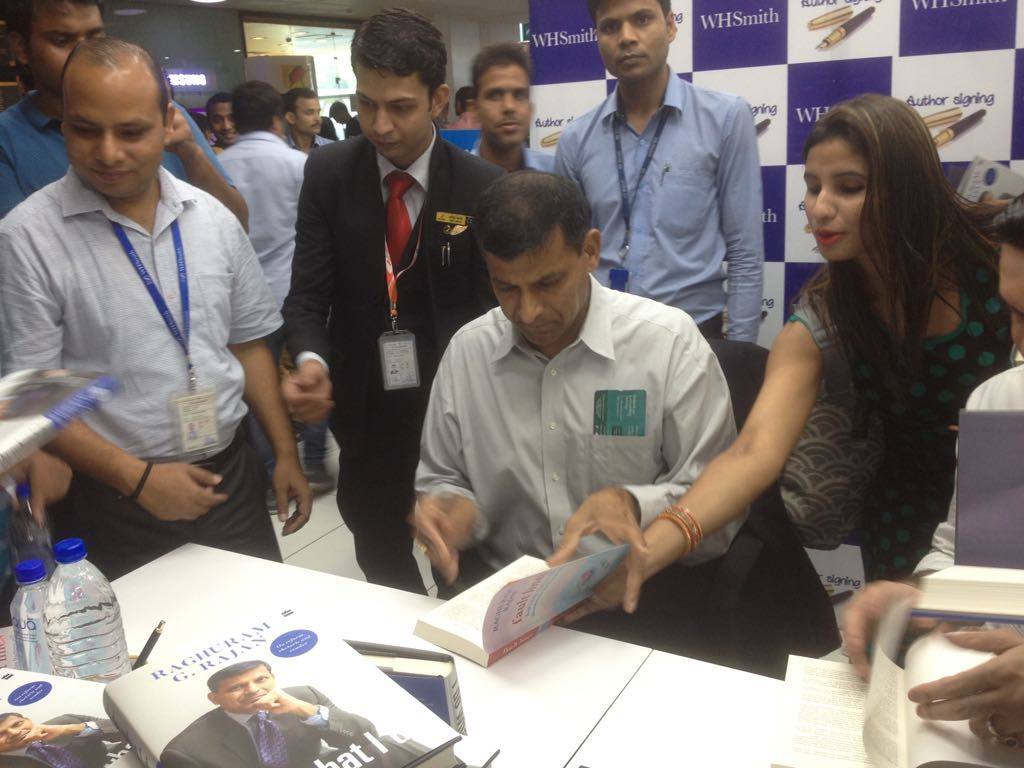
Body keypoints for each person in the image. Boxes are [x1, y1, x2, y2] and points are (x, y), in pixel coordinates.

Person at [605, 94, 1007, 598]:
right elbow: (751, 453)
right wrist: (648, 553)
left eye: (849, 187)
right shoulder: (823, 317)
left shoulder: (994, 264)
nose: (820, 207)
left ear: (907, 186)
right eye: (813, 187)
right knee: (913, 638)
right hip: (906, 512)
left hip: (1007, 494)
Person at [0, 38, 312, 581]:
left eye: (130, 132)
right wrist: (140, 480)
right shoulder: (27, 238)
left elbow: (247, 345)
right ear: (64, 123)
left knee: (257, 620)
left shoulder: (212, 218)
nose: (108, 153)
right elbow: (35, 396)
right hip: (113, 497)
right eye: (85, 130)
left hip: (229, 478)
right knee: (141, 636)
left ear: (168, 122)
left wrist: (285, 452)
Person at [413, 171, 744, 655]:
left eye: (548, 283)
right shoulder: (468, 352)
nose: (528, 312)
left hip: (642, 602)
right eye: (506, 288)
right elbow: (442, 477)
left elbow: (722, 505)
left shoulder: (667, 344)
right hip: (509, 608)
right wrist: (452, 510)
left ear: (590, 250)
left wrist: (636, 505)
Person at [282, 8, 503, 593]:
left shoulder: (480, 187)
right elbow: (308, 292)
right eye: (366, 103)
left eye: (400, 107)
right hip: (366, 414)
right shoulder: (329, 172)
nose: (380, 125)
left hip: (456, 414)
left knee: (463, 571)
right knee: (381, 563)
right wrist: (310, 359)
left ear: (437, 100)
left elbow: (496, 316)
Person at [840, 198, 1024, 752]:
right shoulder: (1003, 402)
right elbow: (969, 552)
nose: (1021, 344)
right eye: (1016, 314)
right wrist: (920, 594)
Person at [555, 0, 763, 342]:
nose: (626, 37)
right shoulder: (576, 140)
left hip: (694, 333)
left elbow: (745, 251)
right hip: (602, 332)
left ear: (670, 26)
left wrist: (740, 352)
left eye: (641, 20)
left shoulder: (725, 118)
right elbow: (569, 255)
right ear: (597, 38)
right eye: (610, 27)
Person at [0, 0, 246, 225]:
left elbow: (237, 225)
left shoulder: (165, 115)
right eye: (62, 40)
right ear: (21, 48)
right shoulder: (6, 140)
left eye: (95, 37)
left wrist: (191, 153)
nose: (85, 52)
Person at [218, 81, 333, 495]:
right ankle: (315, 463)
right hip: (296, 289)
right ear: (277, 119)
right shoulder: (297, 164)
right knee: (310, 374)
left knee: (256, 387)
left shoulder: (219, 167)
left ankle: (271, 473)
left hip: (243, 298)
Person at [159, 660, 394, 768]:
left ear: (273, 679)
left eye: (261, 679)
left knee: (395, 746)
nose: (253, 690)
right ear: (214, 699)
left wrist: (305, 710)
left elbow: (368, 737)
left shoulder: (305, 695)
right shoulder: (185, 751)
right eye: (236, 687)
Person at [468, 43, 554, 173]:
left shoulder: (554, 172)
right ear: (475, 108)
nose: (509, 106)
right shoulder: (456, 179)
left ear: (531, 108)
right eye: (495, 96)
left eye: (519, 95)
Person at [0, 712, 124, 767]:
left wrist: (69, 729)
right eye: (1, 734)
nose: (14, 732)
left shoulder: (65, 721)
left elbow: (126, 726)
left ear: (28, 720)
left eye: (17, 724)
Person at [283, 87, 332, 154]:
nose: (318, 119)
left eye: (318, 112)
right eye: (309, 113)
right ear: (291, 118)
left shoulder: (331, 148)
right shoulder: (278, 149)